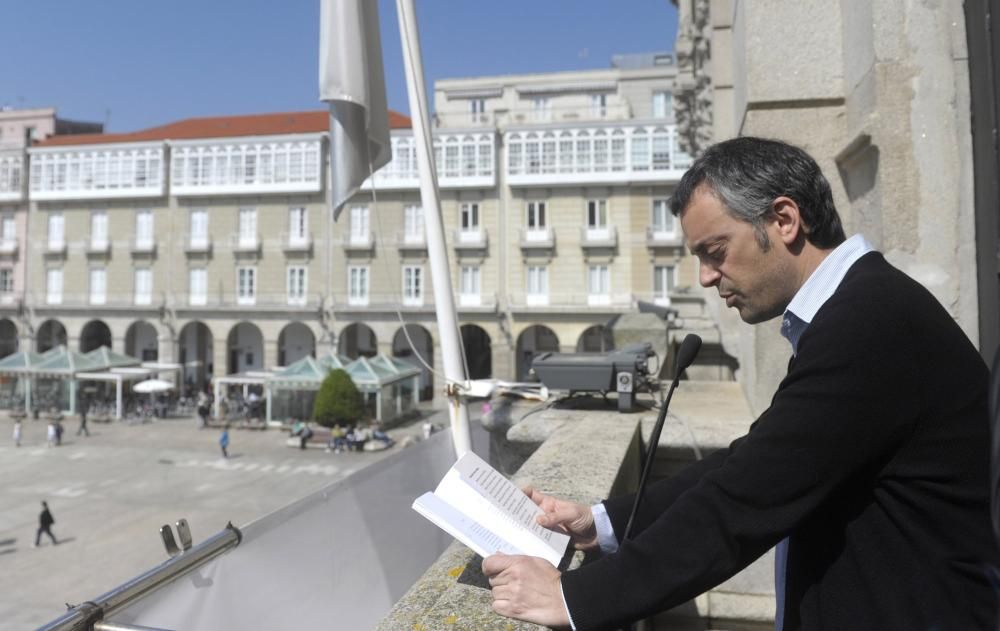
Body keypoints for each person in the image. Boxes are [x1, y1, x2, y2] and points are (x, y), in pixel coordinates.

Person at [482, 137, 998, 630]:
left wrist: (573, 597)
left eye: (716, 250)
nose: (707, 276)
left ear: (784, 220)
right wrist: (601, 523)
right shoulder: (861, 307)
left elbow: (742, 504)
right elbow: (754, 460)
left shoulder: (871, 325)